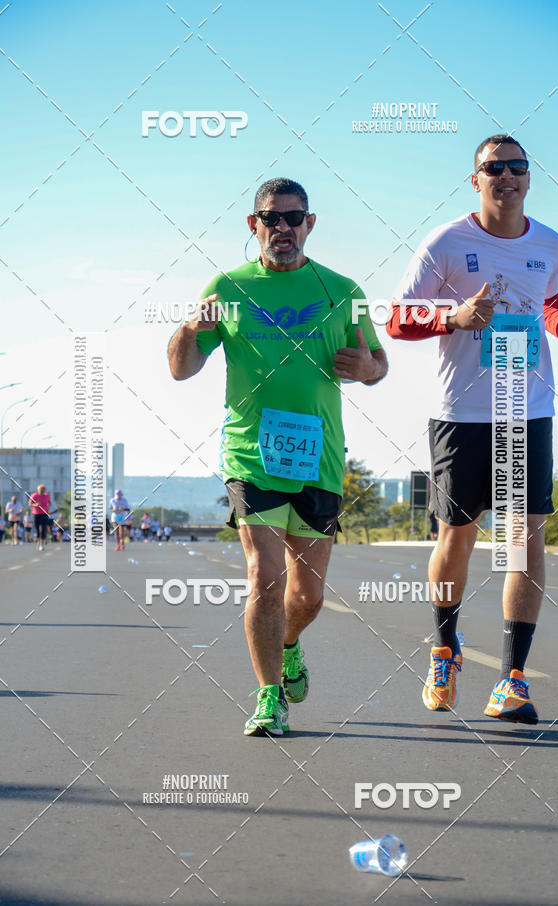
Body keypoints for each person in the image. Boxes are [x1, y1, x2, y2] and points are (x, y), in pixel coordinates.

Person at [168, 177, 388, 736]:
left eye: (294, 218)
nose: (282, 228)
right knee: (264, 577)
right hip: (251, 454)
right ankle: (269, 697)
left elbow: (379, 362)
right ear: (254, 225)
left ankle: (290, 645)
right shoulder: (228, 286)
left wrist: (369, 370)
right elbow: (180, 367)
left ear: (309, 223)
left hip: (319, 459)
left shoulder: (343, 289)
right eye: (271, 218)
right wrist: (191, 329)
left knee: (307, 595)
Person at [387, 135, 558, 725]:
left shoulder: (548, 240)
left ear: (529, 177)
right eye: (493, 167)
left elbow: (546, 296)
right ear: (474, 179)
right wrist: (452, 316)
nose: (507, 175)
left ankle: (512, 679)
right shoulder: (446, 242)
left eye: (517, 166)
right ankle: (445, 649)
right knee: (459, 538)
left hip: (527, 409)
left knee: (525, 539)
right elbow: (398, 318)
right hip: (463, 415)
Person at [30, 485, 52, 551]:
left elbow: (49, 503)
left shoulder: (47, 496)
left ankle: (41, 544)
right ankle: (38, 540)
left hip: (44, 513)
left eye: (43, 490)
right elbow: (30, 504)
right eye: (40, 490)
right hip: (36, 514)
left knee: (43, 528)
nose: (42, 492)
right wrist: (35, 505)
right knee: (37, 529)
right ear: (38, 490)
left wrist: (48, 505)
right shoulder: (34, 495)